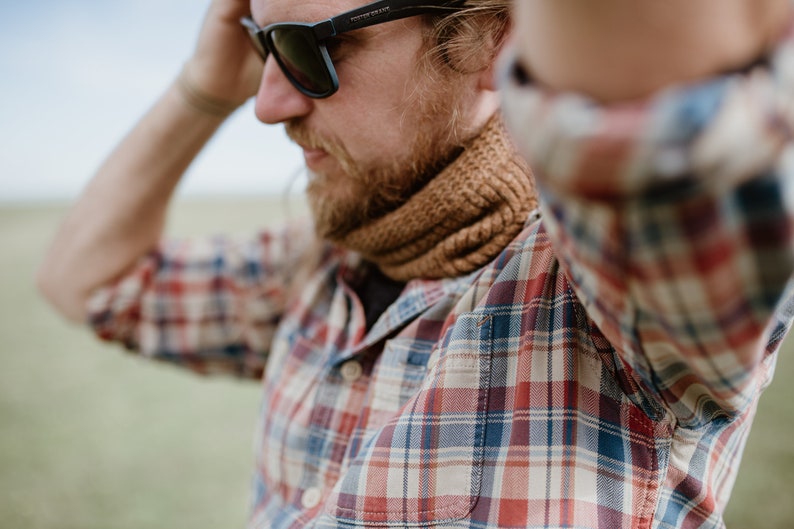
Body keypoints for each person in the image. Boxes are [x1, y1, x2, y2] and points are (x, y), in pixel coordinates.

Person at [37, 0, 794, 527]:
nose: (267, 104)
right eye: (262, 45)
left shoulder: (610, 296)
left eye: (308, 47)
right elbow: (85, 281)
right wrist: (204, 86)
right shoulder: (320, 266)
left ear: (497, 35)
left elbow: (671, 118)